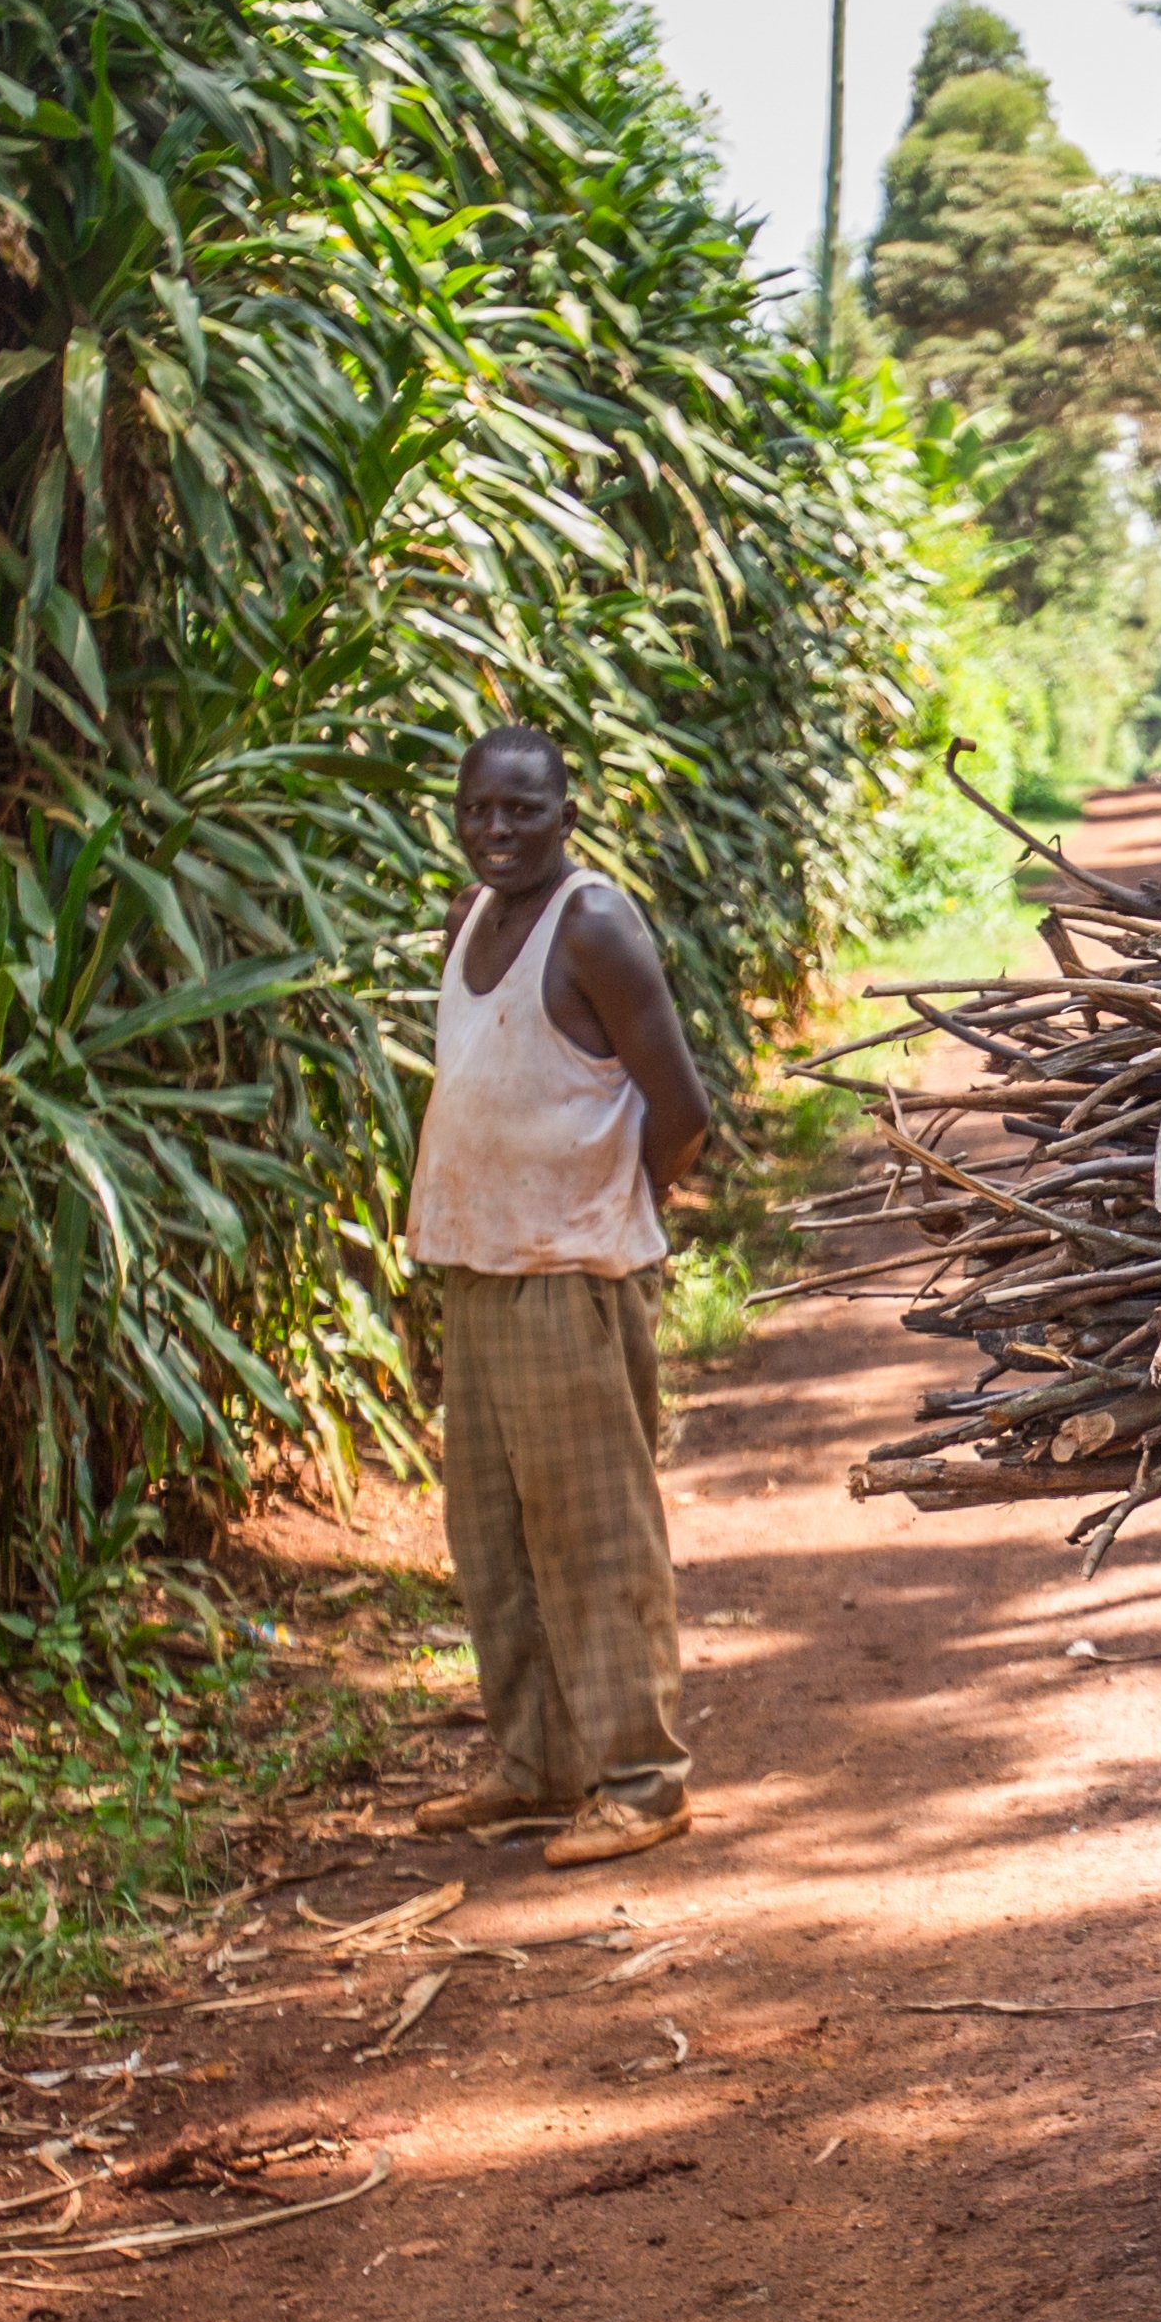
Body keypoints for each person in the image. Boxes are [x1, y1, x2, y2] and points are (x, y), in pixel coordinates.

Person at [408, 725, 714, 1869]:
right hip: (480, 1270)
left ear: (565, 813)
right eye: (479, 809)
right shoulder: (471, 919)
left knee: (594, 1543)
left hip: (571, 1276)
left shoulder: (592, 923)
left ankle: (642, 1780)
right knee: (493, 1541)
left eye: (521, 812)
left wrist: (611, 1208)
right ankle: (538, 1763)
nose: (496, 830)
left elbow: (680, 1108)